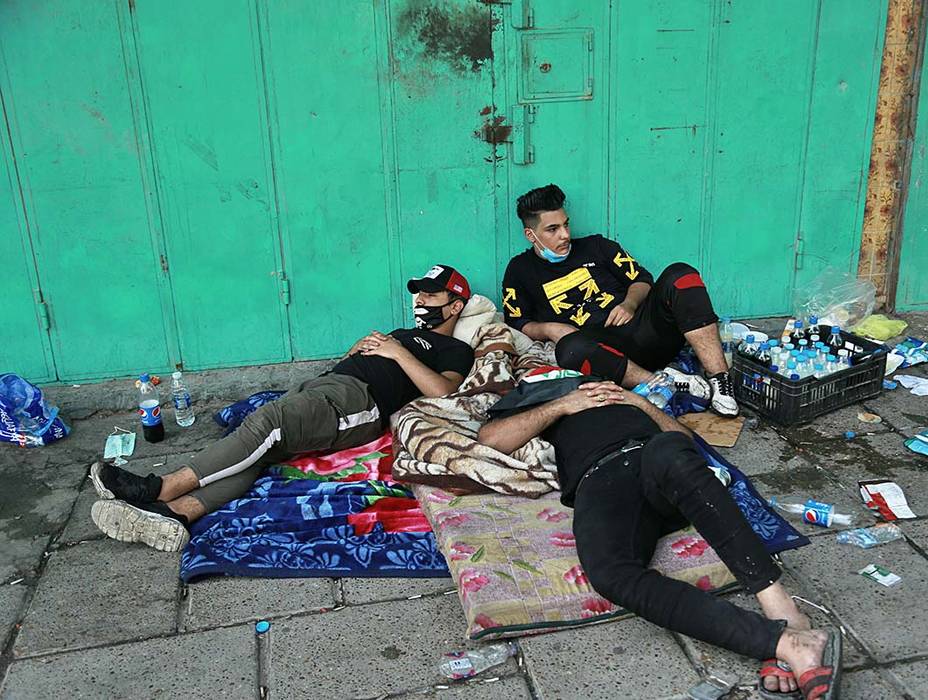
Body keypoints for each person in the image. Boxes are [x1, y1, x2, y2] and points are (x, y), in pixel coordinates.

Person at [477, 377, 841, 699]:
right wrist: (562, 405)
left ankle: (786, 614)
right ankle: (783, 641)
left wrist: (638, 402)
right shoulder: (540, 405)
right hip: (599, 479)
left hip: (653, 457)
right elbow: (491, 439)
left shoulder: (626, 397)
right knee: (610, 572)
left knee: (671, 451)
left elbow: (684, 443)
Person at [89, 265, 476, 552]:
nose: (420, 301)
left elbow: (443, 391)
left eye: (431, 295)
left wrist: (397, 353)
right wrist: (358, 351)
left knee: (268, 424)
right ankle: (176, 515)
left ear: (455, 305)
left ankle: (158, 487)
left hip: (358, 402)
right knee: (258, 454)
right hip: (326, 390)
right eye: (419, 294)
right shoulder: (403, 333)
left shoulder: (454, 348)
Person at [501, 183, 739, 417]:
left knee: (681, 274)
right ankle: (662, 381)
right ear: (531, 235)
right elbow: (517, 320)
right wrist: (550, 328)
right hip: (606, 353)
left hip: (648, 330)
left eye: (566, 225)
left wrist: (629, 303)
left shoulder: (597, 246)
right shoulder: (520, 270)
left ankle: (720, 379)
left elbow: (643, 279)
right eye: (552, 229)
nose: (565, 235)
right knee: (569, 349)